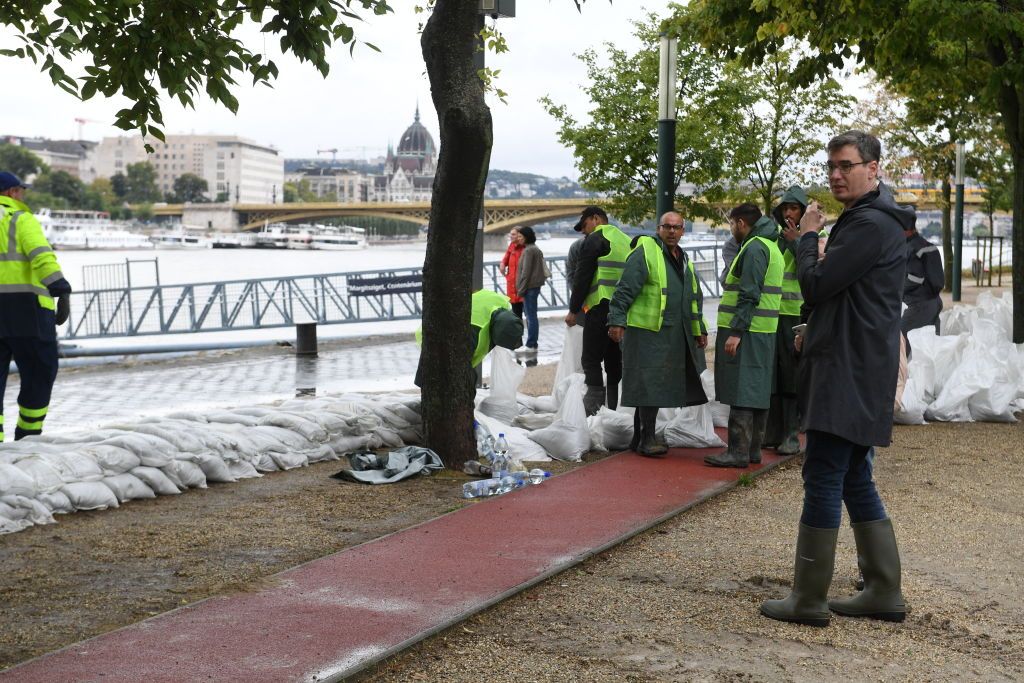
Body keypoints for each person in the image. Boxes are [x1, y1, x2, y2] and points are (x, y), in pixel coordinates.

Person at [760, 130, 912, 627]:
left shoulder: (868, 224)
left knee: (824, 475)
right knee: (853, 476)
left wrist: (806, 238)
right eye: (832, 167)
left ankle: (808, 598)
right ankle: (883, 589)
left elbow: (817, 284)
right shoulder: (878, 221)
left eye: (846, 165)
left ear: (874, 168)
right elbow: (851, 299)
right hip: (860, 365)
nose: (836, 174)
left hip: (845, 371)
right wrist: (817, 326)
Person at [607, 211, 708, 456]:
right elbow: (624, 291)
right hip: (647, 333)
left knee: (656, 385)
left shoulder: (684, 259)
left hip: (673, 332)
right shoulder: (645, 252)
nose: (672, 231)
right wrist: (616, 322)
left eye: (677, 227)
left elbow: (693, 299)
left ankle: (641, 438)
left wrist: (699, 329)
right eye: (667, 227)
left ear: (683, 231)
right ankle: (646, 439)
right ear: (658, 229)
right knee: (648, 385)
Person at [704, 203, 783, 468]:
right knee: (757, 389)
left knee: (742, 390)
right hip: (763, 330)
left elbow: (749, 293)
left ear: (740, 223)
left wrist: (736, 332)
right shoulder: (771, 245)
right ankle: (752, 451)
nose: (731, 230)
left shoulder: (754, 247)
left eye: (731, 224)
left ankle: (737, 452)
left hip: (748, 331)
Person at [0, 171, 72, 441]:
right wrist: (60, 289)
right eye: (21, 190)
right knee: (39, 373)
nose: (23, 195)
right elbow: (40, 255)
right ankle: (28, 438)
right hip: (27, 312)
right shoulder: (20, 218)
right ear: (10, 192)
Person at [565, 205, 632, 415]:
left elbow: (581, 278)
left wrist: (573, 310)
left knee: (590, 359)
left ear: (595, 219)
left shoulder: (594, 239)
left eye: (584, 226)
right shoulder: (625, 240)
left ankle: (593, 409)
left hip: (600, 307)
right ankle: (613, 409)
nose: (584, 231)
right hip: (621, 311)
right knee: (614, 360)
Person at [763, 185, 808, 455]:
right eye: (785, 209)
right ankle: (773, 431)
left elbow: (815, 265)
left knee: (792, 375)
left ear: (803, 211)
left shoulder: (814, 235)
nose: (789, 213)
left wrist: (796, 240)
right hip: (772, 315)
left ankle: (791, 434)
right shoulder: (774, 237)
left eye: (793, 208)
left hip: (798, 314)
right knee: (774, 374)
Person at [414, 289, 523, 388]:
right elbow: (460, 369)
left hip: (443, 319)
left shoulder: (500, 302)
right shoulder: (474, 333)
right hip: (440, 334)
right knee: (450, 379)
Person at [901, 219, 943, 334]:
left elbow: (915, 278)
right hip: (935, 301)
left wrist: (897, 290)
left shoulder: (911, 248)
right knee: (932, 344)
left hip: (919, 304)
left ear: (907, 230)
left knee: (900, 336)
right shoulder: (928, 246)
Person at [514, 226, 547, 360]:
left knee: (530, 316)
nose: (519, 238)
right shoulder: (535, 249)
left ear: (526, 237)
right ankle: (532, 343)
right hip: (535, 287)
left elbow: (525, 273)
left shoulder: (528, 251)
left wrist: (520, 290)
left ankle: (531, 344)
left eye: (521, 236)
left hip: (530, 288)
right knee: (532, 316)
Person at [499, 227, 525, 319]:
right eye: (510, 234)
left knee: (529, 315)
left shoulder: (526, 248)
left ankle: (529, 333)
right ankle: (518, 333)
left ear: (520, 235)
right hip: (512, 286)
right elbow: (506, 258)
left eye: (513, 234)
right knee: (516, 315)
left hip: (522, 286)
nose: (511, 236)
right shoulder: (512, 246)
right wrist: (502, 263)